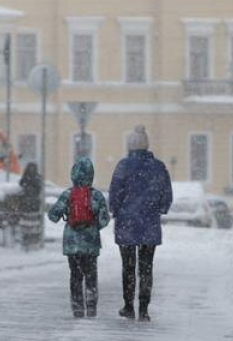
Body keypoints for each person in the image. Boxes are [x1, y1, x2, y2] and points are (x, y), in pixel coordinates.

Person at [108, 125, 173, 322]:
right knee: (146, 268)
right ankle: (144, 309)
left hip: (127, 224)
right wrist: (160, 208)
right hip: (149, 223)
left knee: (128, 267)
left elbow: (115, 192)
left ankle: (129, 306)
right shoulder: (159, 167)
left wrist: (116, 209)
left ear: (130, 145)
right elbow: (166, 194)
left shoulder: (123, 166)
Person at [48, 157, 110, 318]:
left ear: (73, 174)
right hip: (91, 244)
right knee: (91, 275)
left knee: (75, 275)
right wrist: (92, 226)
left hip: (72, 243)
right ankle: (91, 306)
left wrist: (67, 214)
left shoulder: (68, 194)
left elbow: (53, 216)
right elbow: (104, 220)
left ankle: (77, 307)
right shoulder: (96, 195)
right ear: (91, 175)